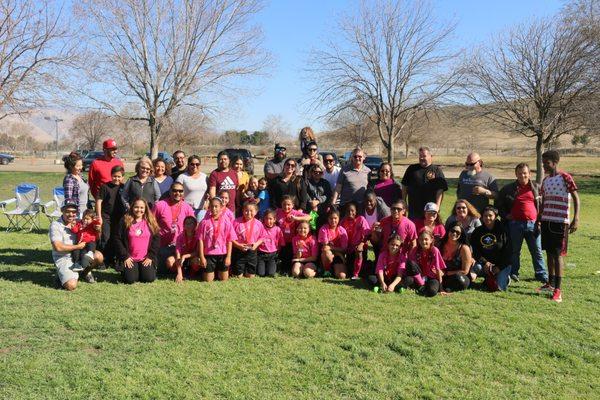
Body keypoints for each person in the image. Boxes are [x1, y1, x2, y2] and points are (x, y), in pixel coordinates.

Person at [538, 150, 580, 303]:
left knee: (558, 255)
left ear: (554, 162)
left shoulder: (565, 177)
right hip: (547, 221)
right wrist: (539, 217)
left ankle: (558, 290)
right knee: (548, 253)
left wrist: (576, 218)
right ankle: (550, 283)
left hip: (560, 222)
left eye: (546, 163)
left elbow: (576, 198)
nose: (544, 166)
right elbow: (543, 201)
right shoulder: (546, 180)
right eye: (543, 163)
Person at [496, 163, 548, 283]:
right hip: (515, 225)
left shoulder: (537, 187)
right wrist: (505, 215)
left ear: (529, 174)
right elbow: (498, 205)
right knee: (515, 251)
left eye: (525, 173)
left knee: (537, 251)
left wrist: (540, 221)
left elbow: (543, 205)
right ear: (516, 174)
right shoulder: (508, 189)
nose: (522, 175)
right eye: (519, 173)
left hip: (533, 224)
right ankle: (514, 273)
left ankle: (541, 274)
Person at [49, 201, 103, 290]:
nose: (71, 214)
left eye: (74, 212)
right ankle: (61, 274)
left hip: (81, 252)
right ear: (62, 210)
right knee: (71, 285)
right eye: (68, 211)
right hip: (64, 256)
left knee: (98, 256)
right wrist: (77, 247)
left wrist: (98, 230)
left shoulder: (80, 221)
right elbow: (57, 247)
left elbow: (95, 237)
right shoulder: (55, 225)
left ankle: (84, 274)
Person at [114, 198, 160, 284]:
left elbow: (156, 240)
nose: (139, 210)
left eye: (142, 207)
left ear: (145, 208)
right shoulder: (125, 220)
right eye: (136, 207)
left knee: (148, 278)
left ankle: (142, 270)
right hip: (130, 258)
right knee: (130, 280)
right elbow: (117, 239)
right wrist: (125, 256)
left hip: (145, 258)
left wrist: (151, 256)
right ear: (132, 208)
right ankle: (128, 271)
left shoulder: (151, 221)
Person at [154, 182, 195, 273]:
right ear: (170, 192)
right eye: (175, 190)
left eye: (180, 191)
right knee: (165, 268)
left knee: (173, 263)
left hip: (181, 246)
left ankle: (182, 268)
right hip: (163, 245)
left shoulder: (187, 207)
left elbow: (193, 226)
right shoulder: (160, 205)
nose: (178, 193)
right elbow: (151, 224)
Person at [471, 206, 511, 291]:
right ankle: (488, 278)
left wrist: (499, 267)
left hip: (501, 265)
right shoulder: (477, 231)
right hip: (484, 265)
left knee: (498, 288)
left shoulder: (503, 231)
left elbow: (508, 252)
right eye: (485, 216)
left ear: (495, 217)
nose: (487, 218)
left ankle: (504, 278)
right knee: (476, 268)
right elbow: (475, 250)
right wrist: (485, 262)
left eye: (490, 215)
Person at [401, 147, 448, 219]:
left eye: (424, 156)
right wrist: (404, 202)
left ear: (430, 156)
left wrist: (437, 207)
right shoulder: (412, 169)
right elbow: (404, 186)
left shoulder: (437, 170)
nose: (422, 158)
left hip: (430, 210)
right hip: (414, 210)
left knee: (428, 229)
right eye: (420, 156)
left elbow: (440, 191)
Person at [197, 196, 236, 282]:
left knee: (223, 279)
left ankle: (218, 271)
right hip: (209, 254)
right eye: (212, 206)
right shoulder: (204, 222)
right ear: (209, 207)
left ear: (221, 207)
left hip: (222, 254)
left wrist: (228, 256)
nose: (214, 209)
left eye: (216, 206)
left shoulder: (226, 222)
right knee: (208, 280)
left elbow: (230, 240)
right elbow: (200, 240)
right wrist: (202, 256)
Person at [96, 165, 126, 266]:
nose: (116, 178)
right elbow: (99, 201)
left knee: (117, 237)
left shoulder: (124, 187)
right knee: (106, 237)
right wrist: (99, 216)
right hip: (106, 216)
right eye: (114, 176)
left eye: (119, 176)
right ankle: (104, 260)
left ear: (122, 177)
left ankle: (115, 258)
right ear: (111, 175)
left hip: (119, 217)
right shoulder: (105, 187)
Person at [276, 195, 311, 274]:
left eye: (289, 205)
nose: (286, 206)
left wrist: (296, 218)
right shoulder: (278, 212)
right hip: (281, 240)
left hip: (292, 240)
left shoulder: (295, 213)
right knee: (281, 255)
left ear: (292, 205)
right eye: (284, 204)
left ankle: (288, 270)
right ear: (281, 204)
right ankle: (281, 268)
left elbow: (309, 217)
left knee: (289, 255)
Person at [407, 228, 446, 297]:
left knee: (432, 292)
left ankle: (422, 288)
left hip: (431, 277)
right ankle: (421, 285)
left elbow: (438, 269)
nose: (423, 241)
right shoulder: (415, 250)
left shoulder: (435, 250)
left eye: (426, 239)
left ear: (431, 240)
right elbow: (411, 266)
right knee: (410, 264)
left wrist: (441, 288)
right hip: (419, 276)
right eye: (421, 239)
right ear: (418, 240)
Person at [232, 201, 265, 278]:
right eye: (246, 210)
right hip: (239, 250)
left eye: (251, 211)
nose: (248, 213)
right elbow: (230, 237)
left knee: (250, 276)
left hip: (252, 251)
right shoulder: (236, 222)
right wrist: (238, 245)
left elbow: (262, 237)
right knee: (238, 276)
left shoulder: (259, 224)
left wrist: (256, 244)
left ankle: (249, 271)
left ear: (256, 212)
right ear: (243, 211)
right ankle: (238, 271)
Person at [439, 222, 473, 292]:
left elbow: (465, 271)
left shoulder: (464, 248)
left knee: (459, 278)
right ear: (448, 231)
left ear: (461, 235)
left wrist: (447, 273)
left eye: (458, 232)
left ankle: (447, 287)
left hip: (458, 276)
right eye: (452, 230)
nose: (454, 233)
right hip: (442, 275)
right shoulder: (441, 244)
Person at [340, 202, 370, 279]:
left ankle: (356, 274)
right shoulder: (343, 222)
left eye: (352, 210)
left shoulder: (361, 219)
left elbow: (367, 234)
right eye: (348, 211)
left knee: (358, 251)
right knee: (348, 271)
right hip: (349, 249)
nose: (350, 212)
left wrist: (361, 244)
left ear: (356, 211)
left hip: (360, 248)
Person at [318, 207, 349, 279]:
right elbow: (325, 247)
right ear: (328, 219)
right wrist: (338, 253)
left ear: (339, 219)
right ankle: (326, 270)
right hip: (327, 256)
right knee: (327, 253)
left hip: (338, 256)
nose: (333, 220)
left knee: (342, 276)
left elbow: (344, 249)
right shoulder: (324, 229)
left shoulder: (342, 230)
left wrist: (333, 249)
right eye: (331, 218)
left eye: (335, 218)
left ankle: (333, 269)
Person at [172, 216, 201, 283]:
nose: (189, 225)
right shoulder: (180, 237)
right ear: (184, 225)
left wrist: (185, 256)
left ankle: (192, 274)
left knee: (197, 261)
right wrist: (179, 273)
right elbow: (178, 254)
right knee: (169, 261)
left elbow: (197, 252)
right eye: (187, 223)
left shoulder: (198, 236)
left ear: (195, 225)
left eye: (191, 223)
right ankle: (179, 273)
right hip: (181, 259)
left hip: (192, 257)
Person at [257, 209, 284, 277]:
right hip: (261, 254)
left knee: (271, 274)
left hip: (272, 255)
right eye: (266, 218)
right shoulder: (261, 227)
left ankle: (273, 266)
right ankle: (263, 266)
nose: (268, 221)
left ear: (274, 219)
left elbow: (281, 243)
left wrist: (277, 252)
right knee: (261, 274)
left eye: (270, 219)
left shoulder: (278, 229)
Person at [62, 152, 90, 217]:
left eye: (81, 165)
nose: (81, 167)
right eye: (78, 166)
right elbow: (68, 200)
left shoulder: (80, 176)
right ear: (71, 166)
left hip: (85, 211)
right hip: (77, 213)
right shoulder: (69, 179)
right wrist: (72, 215)